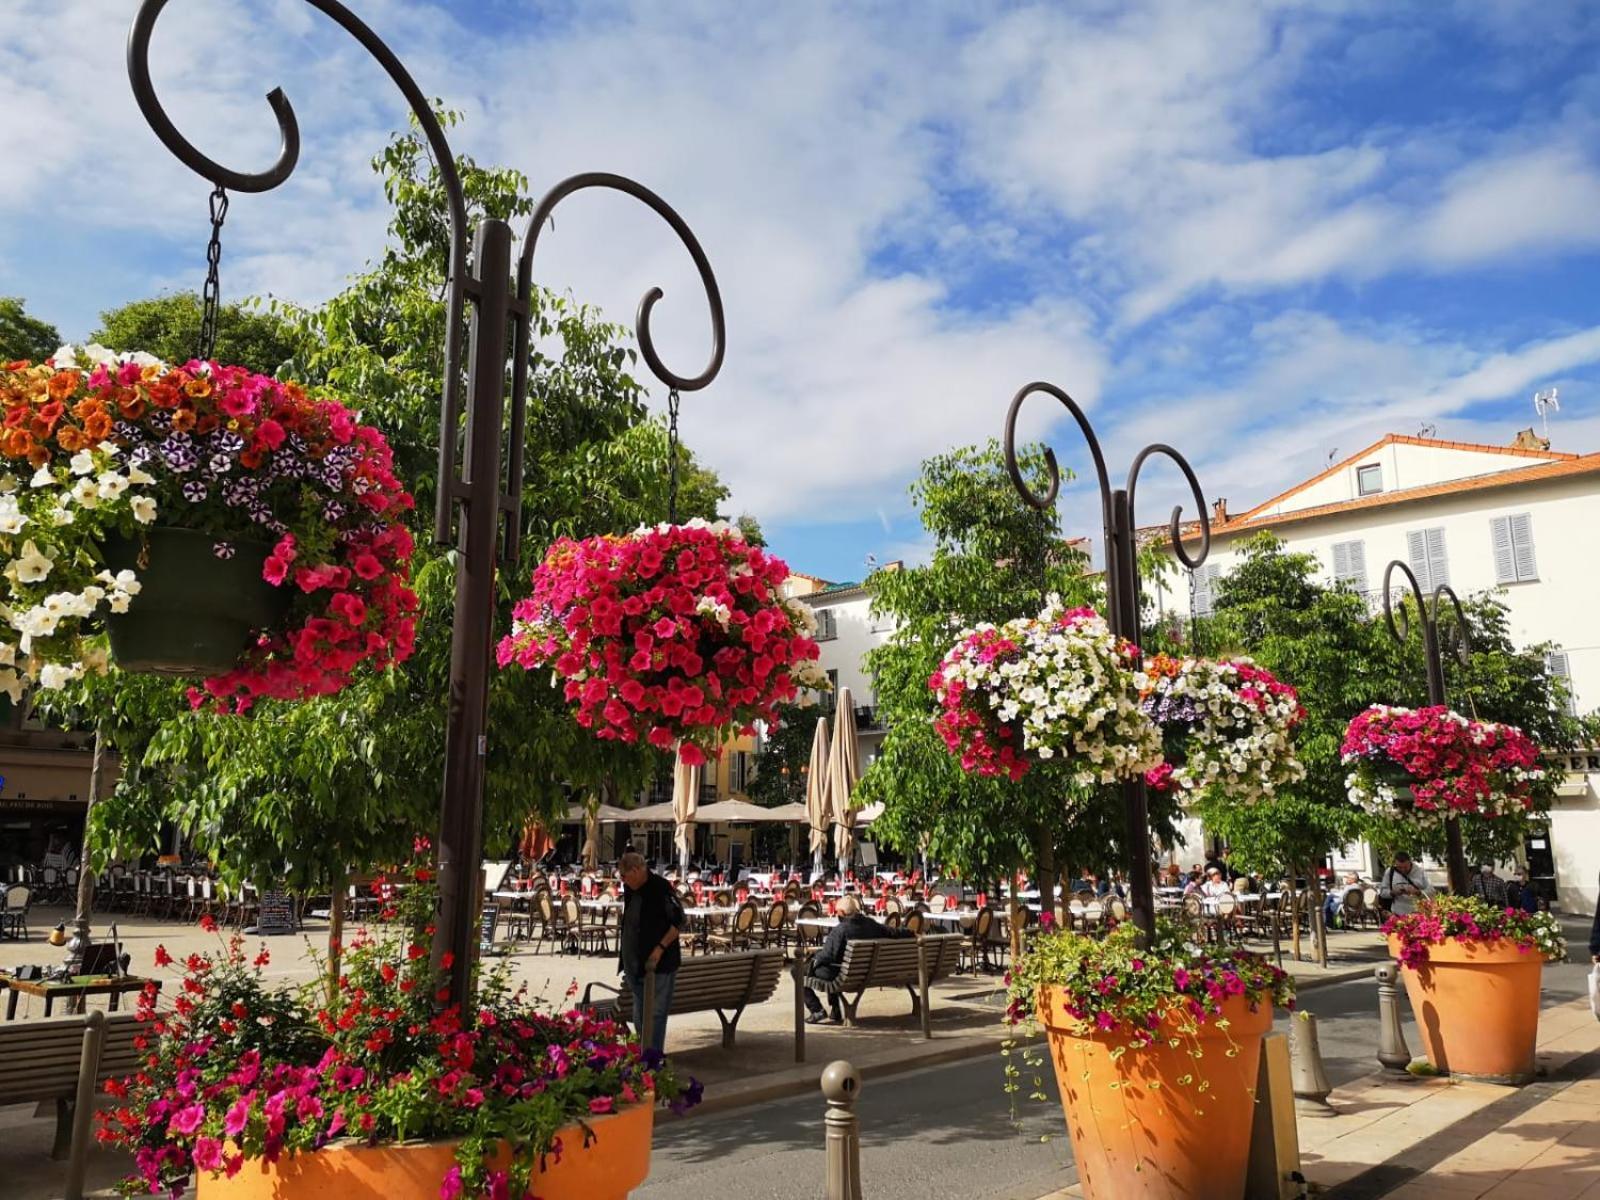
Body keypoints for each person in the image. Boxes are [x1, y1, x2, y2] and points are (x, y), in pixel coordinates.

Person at [618, 851, 684, 1056]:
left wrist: (659, 949)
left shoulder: (660, 888)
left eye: (625, 876)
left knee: (654, 1016)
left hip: (658, 966)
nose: (623, 881)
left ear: (636, 871)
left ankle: (653, 1061)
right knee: (640, 1018)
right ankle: (644, 1058)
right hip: (635, 966)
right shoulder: (631, 888)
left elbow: (678, 922)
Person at [802, 894, 905, 1024]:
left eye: (838, 912)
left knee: (798, 971)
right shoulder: (870, 924)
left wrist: (814, 957)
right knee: (832, 964)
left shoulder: (840, 930)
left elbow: (828, 956)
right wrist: (912, 932)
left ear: (842, 913)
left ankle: (817, 1010)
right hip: (863, 974)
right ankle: (835, 1010)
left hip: (843, 975)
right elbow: (892, 932)